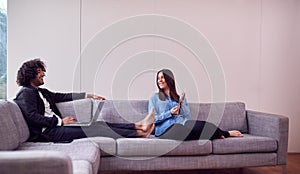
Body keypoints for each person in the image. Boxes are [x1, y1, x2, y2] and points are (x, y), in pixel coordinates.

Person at [14, 59, 154, 143]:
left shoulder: (42, 92)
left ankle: (138, 126)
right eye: (39, 71)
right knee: (95, 129)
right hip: (49, 132)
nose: (43, 74)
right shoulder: (25, 93)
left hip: (56, 128)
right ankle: (139, 133)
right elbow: (32, 117)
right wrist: (60, 121)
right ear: (30, 74)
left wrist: (88, 95)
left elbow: (63, 96)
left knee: (99, 123)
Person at [148, 69, 243, 141]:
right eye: (158, 78)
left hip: (182, 123)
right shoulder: (154, 98)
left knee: (203, 125)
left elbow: (187, 117)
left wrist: (182, 105)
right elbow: (152, 120)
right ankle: (214, 135)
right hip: (165, 129)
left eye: (162, 77)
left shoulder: (178, 97)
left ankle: (225, 133)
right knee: (181, 129)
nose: (159, 80)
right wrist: (170, 113)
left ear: (169, 79)